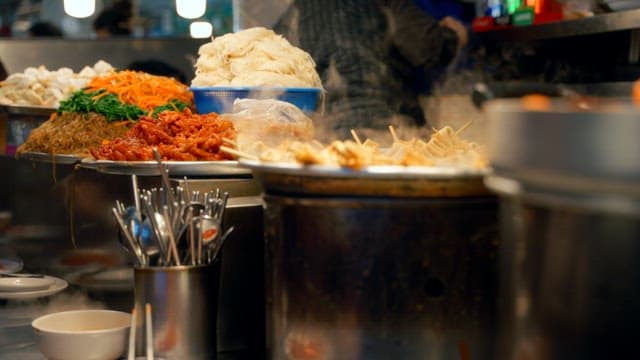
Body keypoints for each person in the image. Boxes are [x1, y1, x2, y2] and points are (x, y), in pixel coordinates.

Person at [274, 0, 468, 139]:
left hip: (326, 136)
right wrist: (454, 35)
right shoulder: (387, 3)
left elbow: (281, 87)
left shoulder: (293, 14)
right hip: (395, 130)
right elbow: (426, 47)